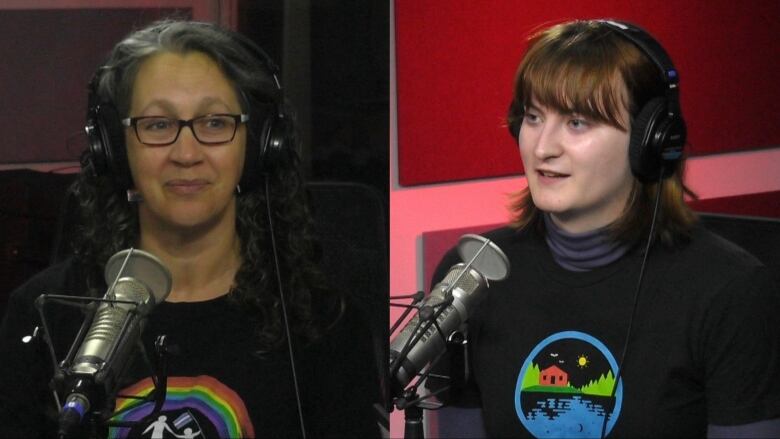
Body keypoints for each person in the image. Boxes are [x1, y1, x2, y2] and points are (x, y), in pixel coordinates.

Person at [0, 20, 380, 438]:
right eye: (158, 125)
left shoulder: (321, 321)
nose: (186, 153)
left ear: (257, 146)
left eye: (215, 123)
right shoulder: (43, 314)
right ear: (114, 148)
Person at [429, 19, 780, 438]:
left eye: (577, 122)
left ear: (650, 141)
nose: (543, 147)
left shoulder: (730, 292)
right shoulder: (474, 271)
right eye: (534, 116)